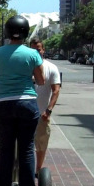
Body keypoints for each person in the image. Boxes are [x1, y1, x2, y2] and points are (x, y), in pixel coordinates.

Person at [0, 15, 45, 186]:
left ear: (7, 32)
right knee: (27, 148)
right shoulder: (33, 54)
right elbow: (42, 80)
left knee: (5, 149)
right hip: (27, 104)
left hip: (3, 104)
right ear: (25, 33)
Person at [30, 37, 61, 176]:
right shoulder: (25, 66)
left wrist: (48, 111)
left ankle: (38, 170)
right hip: (24, 113)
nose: (36, 52)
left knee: (41, 144)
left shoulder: (51, 68)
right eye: (32, 49)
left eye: (38, 49)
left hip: (41, 113)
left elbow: (56, 90)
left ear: (43, 50)